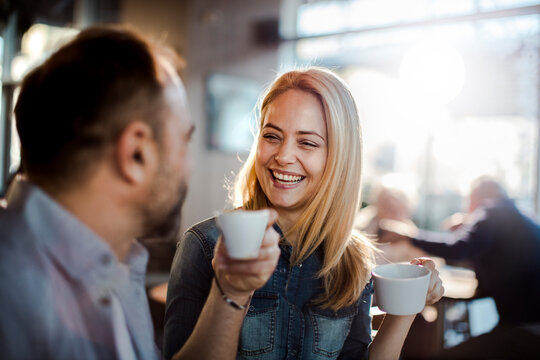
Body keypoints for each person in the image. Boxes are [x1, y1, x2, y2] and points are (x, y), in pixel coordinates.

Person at [0, 26, 281, 360]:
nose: (189, 165)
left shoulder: (113, 265)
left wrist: (231, 289)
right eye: (184, 140)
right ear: (136, 154)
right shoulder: (12, 294)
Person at [164, 67, 444, 360]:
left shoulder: (351, 260)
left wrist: (407, 304)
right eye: (272, 136)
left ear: (338, 157)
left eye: (307, 142)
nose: (283, 156)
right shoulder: (205, 244)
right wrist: (229, 293)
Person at [379, 176, 540, 358]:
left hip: (525, 331)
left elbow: (458, 248)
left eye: (468, 200)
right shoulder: (518, 216)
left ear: (476, 196)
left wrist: (409, 235)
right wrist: (470, 223)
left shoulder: (490, 210)